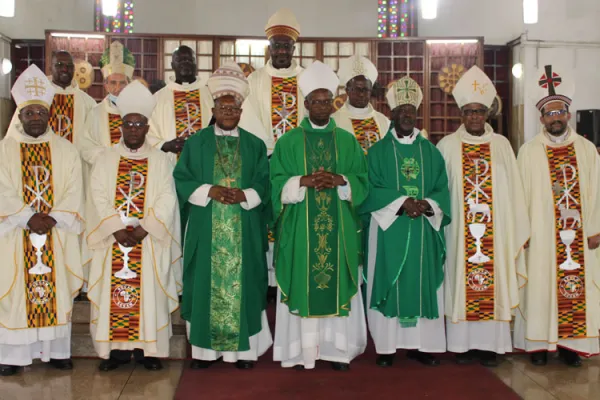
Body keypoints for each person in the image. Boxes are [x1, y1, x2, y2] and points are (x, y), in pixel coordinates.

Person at [270, 61, 368, 371]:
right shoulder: (287, 142)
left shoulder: (347, 141)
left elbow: (362, 180)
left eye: (328, 101)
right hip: (300, 229)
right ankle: (302, 351)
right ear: (306, 103)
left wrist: (342, 181)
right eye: (317, 101)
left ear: (333, 103)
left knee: (336, 279)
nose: (323, 107)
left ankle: (336, 350)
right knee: (304, 279)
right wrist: (301, 181)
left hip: (338, 227)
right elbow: (274, 183)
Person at [173, 62, 271, 370]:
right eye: (223, 108)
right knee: (204, 284)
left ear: (241, 112)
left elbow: (264, 181)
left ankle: (242, 353)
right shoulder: (196, 142)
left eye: (234, 109)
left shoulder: (255, 145)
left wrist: (246, 195)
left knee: (246, 283)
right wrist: (209, 190)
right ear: (213, 109)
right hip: (207, 224)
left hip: (243, 224)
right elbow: (182, 177)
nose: (229, 113)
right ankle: (204, 352)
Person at [437, 66, 530, 367]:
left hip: (495, 233)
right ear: (461, 114)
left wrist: (517, 228)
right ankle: (462, 345)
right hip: (459, 234)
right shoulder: (447, 146)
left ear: (487, 113)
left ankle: (491, 346)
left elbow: (514, 192)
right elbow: (440, 192)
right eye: (469, 111)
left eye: (480, 111)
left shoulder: (502, 146)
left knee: (494, 284)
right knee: (461, 283)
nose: (475, 117)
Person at [86, 81, 182, 372]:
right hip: (113, 239)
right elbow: (98, 195)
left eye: (139, 124)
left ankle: (147, 351)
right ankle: (116, 353)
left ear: (147, 127)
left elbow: (167, 197)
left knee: (149, 294)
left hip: (147, 240)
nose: (134, 130)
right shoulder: (106, 158)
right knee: (112, 293)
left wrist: (145, 228)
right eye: (129, 124)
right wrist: (116, 228)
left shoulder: (160, 160)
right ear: (121, 126)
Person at [360, 76, 451, 367]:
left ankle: (423, 346)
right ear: (392, 115)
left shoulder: (431, 153)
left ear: (417, 116)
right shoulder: (377, 152)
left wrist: (428, 204)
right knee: (389, 277)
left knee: (423, 280)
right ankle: (386, 348)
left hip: (423, 227)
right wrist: (402, 202)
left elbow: (441, 188)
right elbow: (369, 188)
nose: (407, 117)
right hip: (389, 229)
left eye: (411, 112)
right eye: (401, 112)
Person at [0, 65, 84, 376]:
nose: (36, 117)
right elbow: (2, 192)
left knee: (56, 289)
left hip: (55, 233)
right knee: (14, 294)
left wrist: (52, 218)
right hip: (15, 234)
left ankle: (58, 352)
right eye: (29, 113)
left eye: (40, 112)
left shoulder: (66, 150)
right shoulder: (3, 151)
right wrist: (27, 217)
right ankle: (12, 355)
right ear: (18, 116)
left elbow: (75, 190)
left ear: (49, 115)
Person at [514, 65, 600, 367]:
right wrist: (522, 233)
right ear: (541, 119)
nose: (556, 118)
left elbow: (598, 191)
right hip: (540, 236)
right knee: (540, 287)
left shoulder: (587, 150)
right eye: (550, 114)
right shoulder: (528, 152)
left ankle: (569, 346)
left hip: (578, 236)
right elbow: (519, 194)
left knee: (575, 288)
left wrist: (595, 229)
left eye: (560, 112)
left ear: (568, 113)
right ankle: (537, 345)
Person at [243, 8, 304, 301]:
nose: (281, 50)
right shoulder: (254, 81)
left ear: (294, 48)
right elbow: (248, 118)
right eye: (276, 45)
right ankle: (268, 281)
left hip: (298, 166)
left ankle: (292, 269)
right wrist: (267, 151)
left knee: (294, 217)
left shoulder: (305, 80)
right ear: (269, 48)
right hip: (266, 162)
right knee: (266, 217)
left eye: (286, 45)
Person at [77, 41, 136, 288]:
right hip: (103, 186)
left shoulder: (140, 113)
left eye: (123, 83)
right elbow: (84, 145)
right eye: (113, 82)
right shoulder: (94, 113)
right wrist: (111, 157)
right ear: (105, 84)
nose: (118, 88)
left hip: (134, 184)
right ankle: (99, 281)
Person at [6, 51, 96, 145]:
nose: (65, 69)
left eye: (69, 65)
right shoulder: (34, 97)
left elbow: (93, 138)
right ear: (50, 68)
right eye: (59, 64)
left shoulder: (88, 102)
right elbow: (15, 133)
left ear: (74, 69)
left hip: (76, 158)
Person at [148, 46, 213, 156]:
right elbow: (149, 132)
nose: (185, 63)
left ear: (195, 64)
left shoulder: (209, 94)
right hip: (171, 161)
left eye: (189, 59)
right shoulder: (158, 98)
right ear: (172, 65)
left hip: (205, 158)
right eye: (180, 60)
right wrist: (166, 145)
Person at [332, 55, 389, 154]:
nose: (361, 94)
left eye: (365, 89)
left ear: (371, 91)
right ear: (347, 90)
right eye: (356, 89)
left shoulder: (383, 121)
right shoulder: (334, 122)